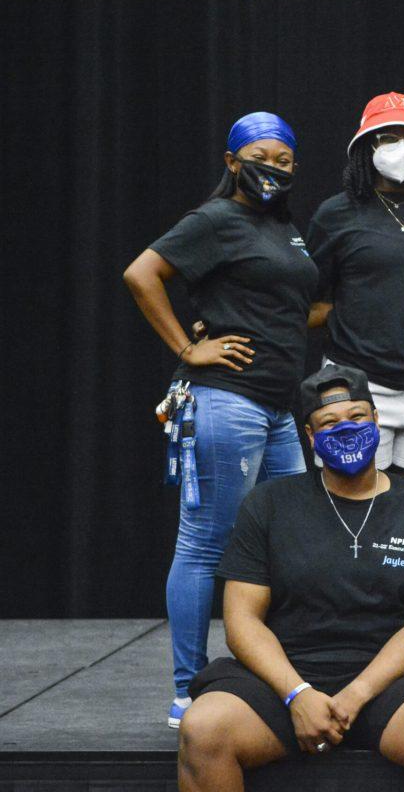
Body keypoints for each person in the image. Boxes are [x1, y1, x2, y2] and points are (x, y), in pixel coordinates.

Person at [177, 365, 404, 792]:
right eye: (330, 423)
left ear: (377, 420)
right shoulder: (268, 504)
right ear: (310, 436)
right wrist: (297, 694)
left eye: (357, 417)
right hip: (284, 676)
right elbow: (241, 621)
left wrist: (357, 694)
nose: (347, 429)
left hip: (393, 680)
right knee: (203, 729)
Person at [123, 112, 316, 727]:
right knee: (206, 543)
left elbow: (288, 308)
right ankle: (187, 689)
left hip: (281, 406)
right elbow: (141, 273)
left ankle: (272, 672)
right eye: (262, 156)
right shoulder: (215, 220)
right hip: (227, 399)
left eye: (285, 160)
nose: (275, 168)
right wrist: (188, 347)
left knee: (285, 541)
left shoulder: (284, 229)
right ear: (233, 161)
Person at [307, 92, 404, 485]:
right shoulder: (335, 214)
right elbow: (309, 299)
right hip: (356, 383)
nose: (402, 149)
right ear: (364, 146)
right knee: (351, 509)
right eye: (388, 137)